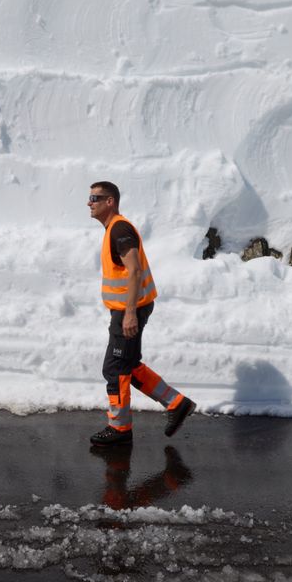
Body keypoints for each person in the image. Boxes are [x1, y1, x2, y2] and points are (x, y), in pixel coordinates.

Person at [87, 181, 195, 447]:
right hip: (127, 308)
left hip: (129, 309)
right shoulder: (114, 228)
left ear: (110, 201)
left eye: (95, 197)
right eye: (89, 198)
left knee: (115, 368)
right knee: (129, 366)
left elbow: (134, 270)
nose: (89, 202)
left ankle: (120, 428)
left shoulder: (120, 229)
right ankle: (177, 404)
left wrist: (130, 314)